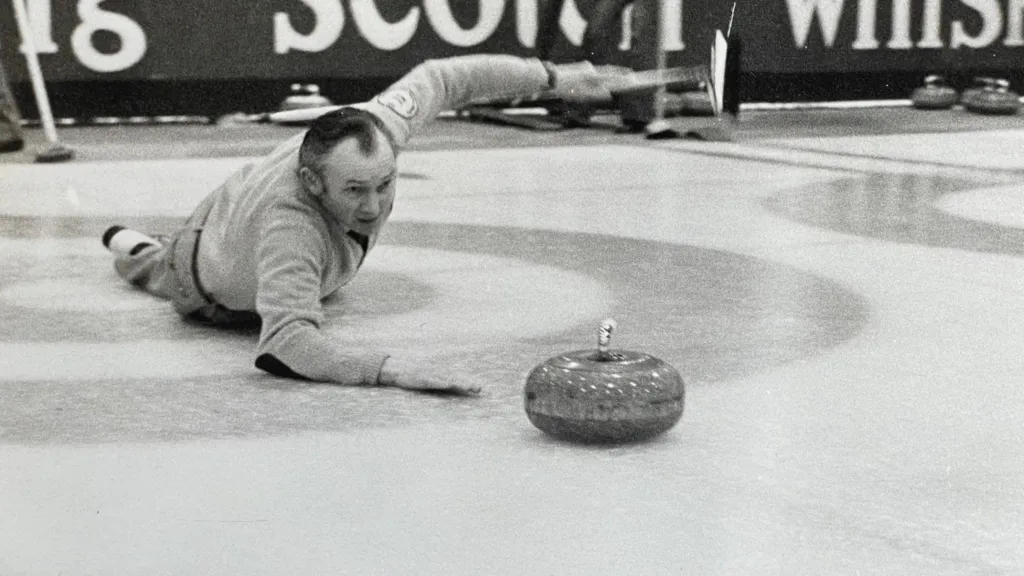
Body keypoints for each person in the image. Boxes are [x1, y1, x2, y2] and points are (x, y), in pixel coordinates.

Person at [103, 54, 626, 395]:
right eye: (354, 190)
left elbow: (445, 78)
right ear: (312, 182)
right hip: (202, 275)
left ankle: (143, 244)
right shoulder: (292, 231)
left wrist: (553, 77)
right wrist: (391, 370)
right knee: (157, 267)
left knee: (285, 263)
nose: (375, 208)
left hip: (243, 206)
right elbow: (285, 344)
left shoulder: (378, 126)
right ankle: (134, 249)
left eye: (385, 183)